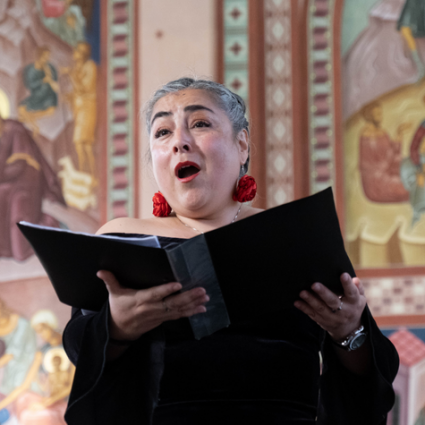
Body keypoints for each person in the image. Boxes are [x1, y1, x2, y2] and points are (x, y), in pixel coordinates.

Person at [63, 78, 399, 425]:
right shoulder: (120, 239)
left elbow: (368, 384)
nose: (180, 141)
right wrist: (116, 327)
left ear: (242, 145)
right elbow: (80, 352)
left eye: (200, 124)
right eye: (162, 131)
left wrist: (349, 331)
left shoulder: (295, 236)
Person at [359, 101, 410, 203]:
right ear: (370, 116)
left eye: (380, 113)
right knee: (412, 186)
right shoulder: (367, 137)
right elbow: (374, 165)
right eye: (377, 114)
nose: (380, 117)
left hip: (388, 172)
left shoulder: (382, 132)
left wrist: (399, 133)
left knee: (413, 167)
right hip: (377, 183)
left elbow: (392, 152)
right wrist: (391, 160)